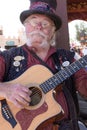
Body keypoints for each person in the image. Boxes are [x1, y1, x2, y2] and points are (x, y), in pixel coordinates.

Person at [0, 0, 87, 130]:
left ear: (52, 32)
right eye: (34, 21)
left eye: (45, 23)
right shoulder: (7, 57)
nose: (39, 26)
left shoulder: (68, 58)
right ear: (25, 26)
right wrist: (5, 89)